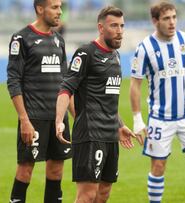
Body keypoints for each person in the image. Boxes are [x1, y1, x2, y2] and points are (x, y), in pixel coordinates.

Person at [55, 6, 140, 203]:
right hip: (90, 134)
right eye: (114, 26)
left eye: (122, 26)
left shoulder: (116, 56)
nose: (120, 30)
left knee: (103, 194)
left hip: (111, 134)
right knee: (86, 196)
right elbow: (66, 89)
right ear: (101, 28)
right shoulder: (86, 53)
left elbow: (107, 100)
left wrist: (119, 125)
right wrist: (59, 120)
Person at [130, 1, 185, 202]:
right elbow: (135, 85)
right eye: (166, 18)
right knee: (158, 167)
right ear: (155, 21)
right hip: (160, 118)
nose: (172, 22)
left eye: (174, 17)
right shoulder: (145, 48)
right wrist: (137, 119)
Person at [6, 0, 71, 203]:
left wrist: (79, 117)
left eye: (60, 7)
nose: (59, 12)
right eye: (54, 7)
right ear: (40, 9)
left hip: (59, 118)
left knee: (56, 170)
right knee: (25, 169)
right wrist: (24, 119)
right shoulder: (21, 38)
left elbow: (66, 84)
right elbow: (13, 80)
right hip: (33, 118)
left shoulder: (59, 40)